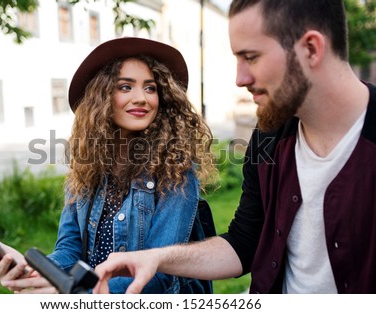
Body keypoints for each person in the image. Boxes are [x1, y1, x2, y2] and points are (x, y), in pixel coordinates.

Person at [93, 0, 376, 294]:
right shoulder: (269, 135)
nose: (240, 79)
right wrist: (156, 258)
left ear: (311, 49)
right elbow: (243, 245)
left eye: (250, 57)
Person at [0, 37, 217, 293]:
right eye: (125, 87)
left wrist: (82, 295)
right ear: (102, 97)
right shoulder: (87, 167)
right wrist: (36, 272)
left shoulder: (175, 171)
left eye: (150, 88)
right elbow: (69, 250)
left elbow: (160, 273)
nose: (141, 98)